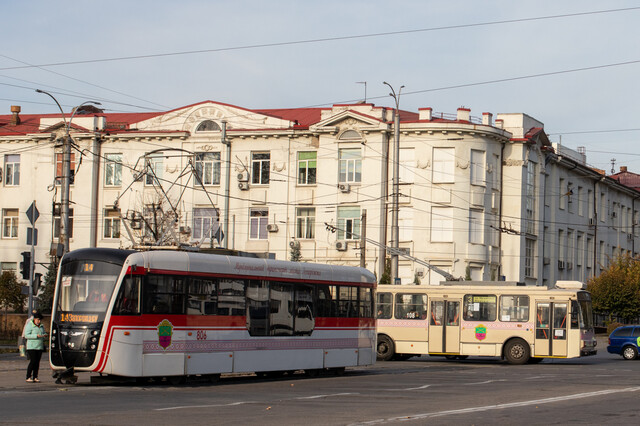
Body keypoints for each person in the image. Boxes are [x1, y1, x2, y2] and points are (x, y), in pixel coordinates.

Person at [24, 312, 47, 383]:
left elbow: (43, 333)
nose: (39, 321)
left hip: (39, 346)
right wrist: (36, 336)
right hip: (31, 346)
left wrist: (44, 335)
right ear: (35, 319)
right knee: (33, 361)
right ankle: (28, 376)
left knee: (37, 362)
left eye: (40, 320)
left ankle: (35, 376)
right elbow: (26, 335)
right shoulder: (30, 325)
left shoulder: (41, 326)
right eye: (38, 320)